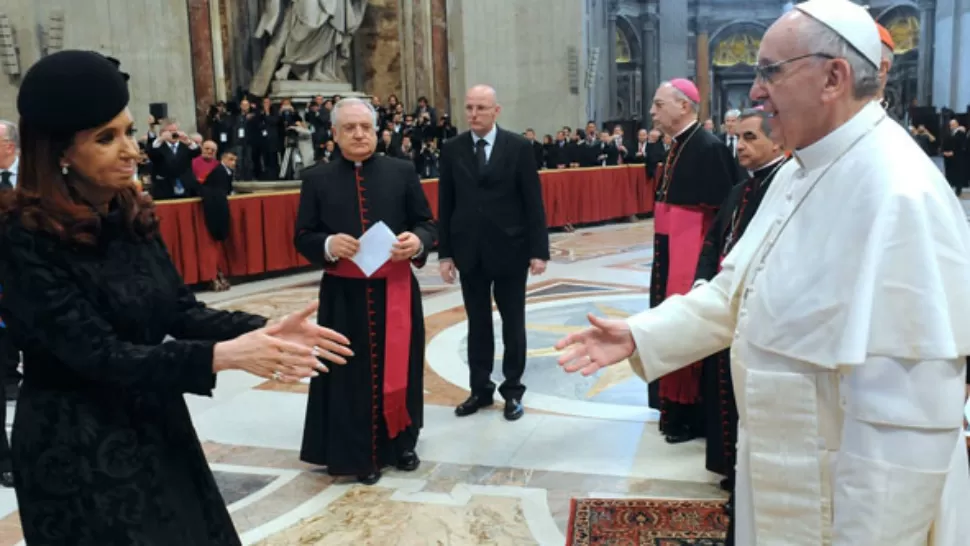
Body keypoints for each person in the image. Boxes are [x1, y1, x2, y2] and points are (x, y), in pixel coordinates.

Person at [555, 1, 970, 544]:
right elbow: (736, 292)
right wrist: (641, 333)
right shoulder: (806, 167)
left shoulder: (900, 193)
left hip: (837, 511)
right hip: (783, 477)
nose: (754, 92)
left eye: (771, 71)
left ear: (833, 77)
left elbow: (906, 435)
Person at [0, 50, 353, 546]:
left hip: (155, 424)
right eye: (106, 138)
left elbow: (180, 311)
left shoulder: (130, 212)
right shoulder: (21, 234)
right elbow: (99, 355)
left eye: (127, 131)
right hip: (77, 448)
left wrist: (262, 330)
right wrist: (223, 357)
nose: (131, 150)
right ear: (59, 152)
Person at [294, 98, 436, 485]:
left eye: (366, 127)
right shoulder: (316, 179)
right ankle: (358, 454)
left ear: (378, 131)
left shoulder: (402, 171)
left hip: (397, 291)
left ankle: (402, 443)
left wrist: (417, 242)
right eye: (350, 128)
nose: (360, 134)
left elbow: (427, 223)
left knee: (401, 367)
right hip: (344, 298)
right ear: (335, 134)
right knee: (349, 374)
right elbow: (302, 236)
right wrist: (326, 245)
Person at [692, 107, 789, 525]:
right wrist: (701, 281)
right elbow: (715, 240)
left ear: (776, 141)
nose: (741, 146)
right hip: (722, 306)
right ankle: (728, 470)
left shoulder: (783, 189)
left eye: (750, 137)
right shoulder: (740, 189)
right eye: (739, 138)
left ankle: (744, 476)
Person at [437, 85, 550, 421]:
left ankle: (513, 390)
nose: (474, 114)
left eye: (481, 108)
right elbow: (446, 202)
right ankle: (480, 389)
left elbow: (533, 202)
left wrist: (538, 250)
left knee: (513, 324)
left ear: (496, 110)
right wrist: (445, 254)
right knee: (478, 324)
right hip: (468, 250)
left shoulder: (518, 147)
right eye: (469, 107)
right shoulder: (452, 148)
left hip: (511, 250)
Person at [646, 79, 736, 444]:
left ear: (684, 106)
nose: (653, 111)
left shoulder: (708, 147)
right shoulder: (675, 146)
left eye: (659, 104)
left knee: (684, 324)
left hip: (691, 252)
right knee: (666, 320)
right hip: (669, 249)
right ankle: (672, 409)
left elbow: (720, 213)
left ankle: (690, 414)